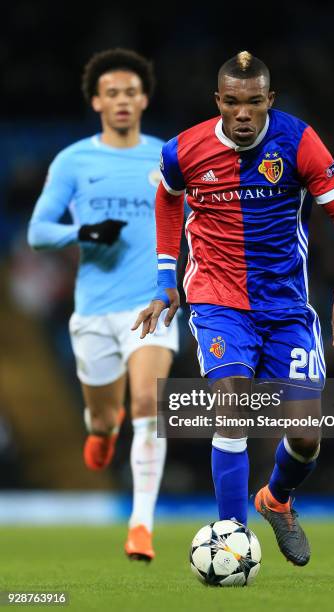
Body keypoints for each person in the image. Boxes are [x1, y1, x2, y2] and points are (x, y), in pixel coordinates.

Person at [134, 50, 334, 566]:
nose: (243, 114)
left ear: (270, 100)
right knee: (232, 402)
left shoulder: (298, 141)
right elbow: (168, 198)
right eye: (233, 103)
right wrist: (165, 278)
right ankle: (231, 536)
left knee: (306, 434)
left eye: (254, 103)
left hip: (286, 304)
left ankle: (277, 499)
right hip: (218, 300)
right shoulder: (184, 150)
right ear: (218, 101)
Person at [28, 48, 178, 561]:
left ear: (144, 99)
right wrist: (86, 233)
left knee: (146, 406)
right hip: (93, 309)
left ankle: (141, 526)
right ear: (96, 100)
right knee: (104, 416)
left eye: (130, 92)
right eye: (111, 93)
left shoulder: (166, 158)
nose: (121, 101)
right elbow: (38, 231)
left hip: (151, 305)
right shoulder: (74, 160)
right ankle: (102, 430)